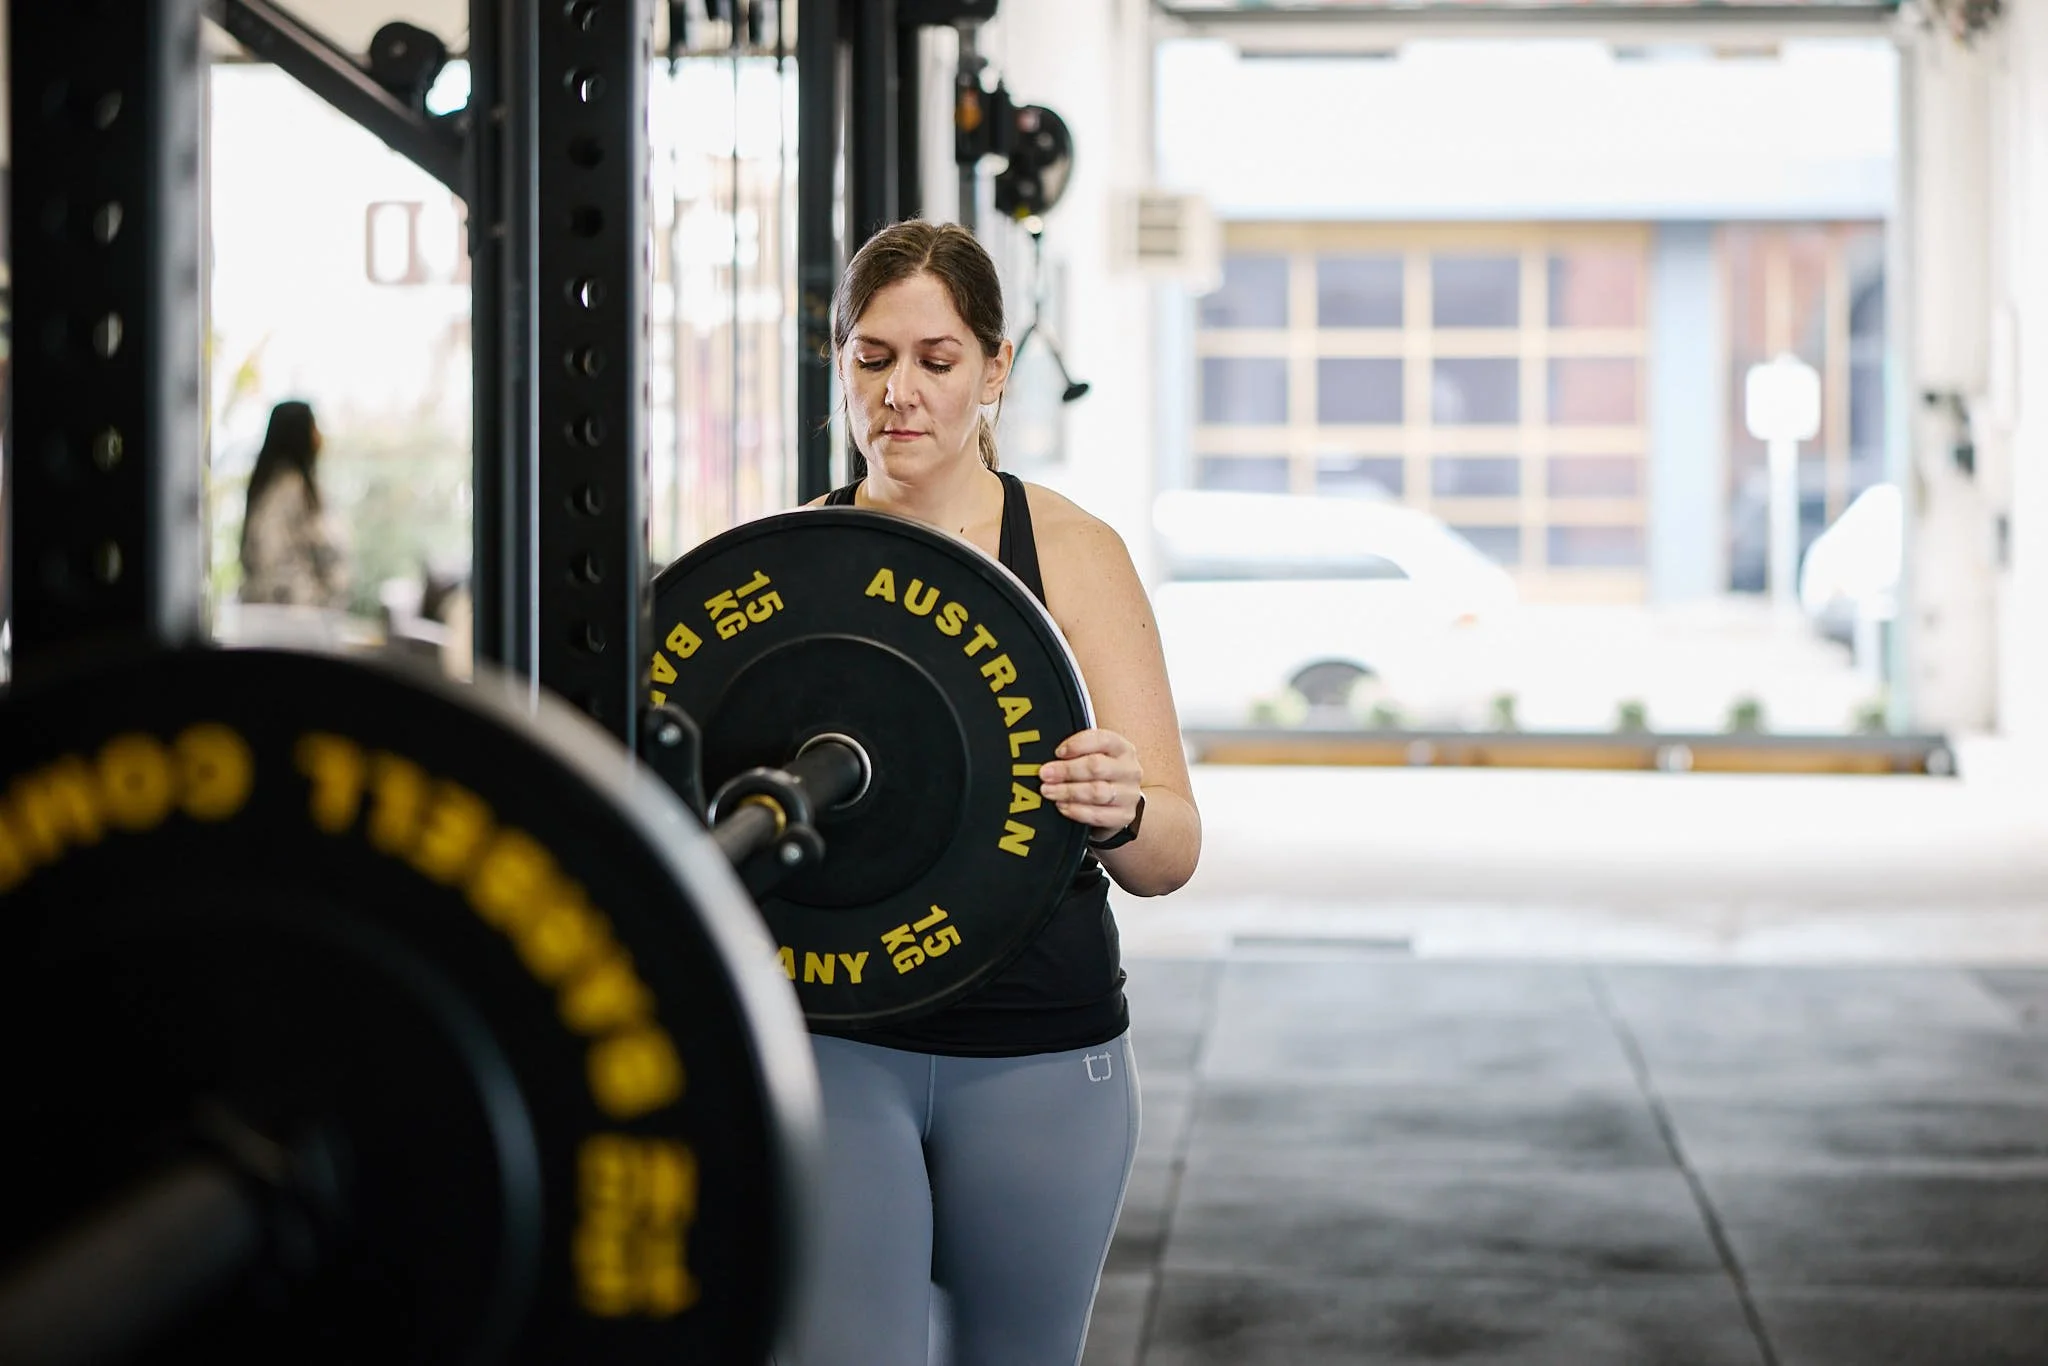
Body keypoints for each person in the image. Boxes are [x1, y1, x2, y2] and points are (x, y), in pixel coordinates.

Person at [783, 220, 1202, 1366]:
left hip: (1034, 1049)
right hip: (836, 1039)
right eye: (870, 359)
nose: (899, 394)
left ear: (994, 369)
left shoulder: (1069, 552)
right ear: (839, 363)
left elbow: (1169, 849)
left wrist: (1119, 804)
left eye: (936, 359)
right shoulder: (785, 565)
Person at [238, 399, 349, 609]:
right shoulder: (288, 490)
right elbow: (272, 559)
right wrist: (313, 603)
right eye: (315, 427)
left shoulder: (274, 486)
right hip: (293, 622)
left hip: (290, 620)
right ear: (300, 434)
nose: (320, 436)